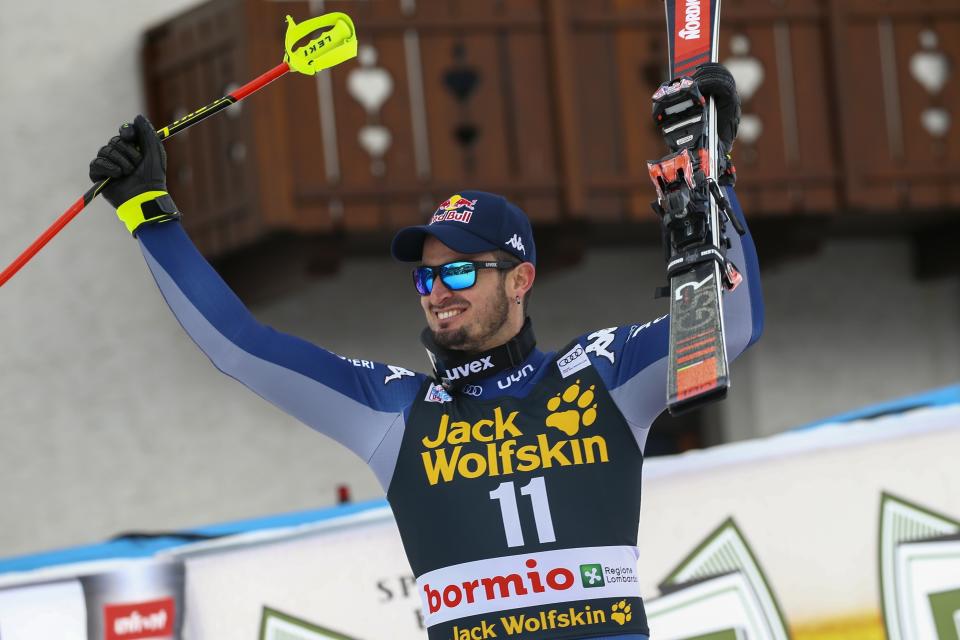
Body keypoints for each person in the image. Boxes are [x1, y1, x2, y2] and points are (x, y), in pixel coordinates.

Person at [89, 64, 761, 640]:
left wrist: (713, 173)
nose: (438, 290)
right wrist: (150, 214)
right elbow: (242, 347)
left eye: (461, 271)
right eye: (427, 275)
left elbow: (729, 324)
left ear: (520, 278)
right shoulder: (398, 410)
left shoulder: (602, 375)